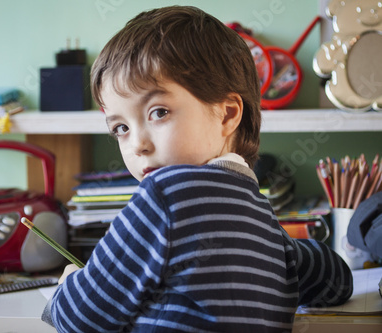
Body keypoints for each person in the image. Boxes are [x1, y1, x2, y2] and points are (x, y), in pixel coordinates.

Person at [42, 5, 353, 332]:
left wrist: (68, 287)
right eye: (120, 128)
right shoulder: (265, 219)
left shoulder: (164, 198)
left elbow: (83, 317)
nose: (137, 145)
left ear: (227, 114)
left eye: (158, 112)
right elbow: (336, 281)